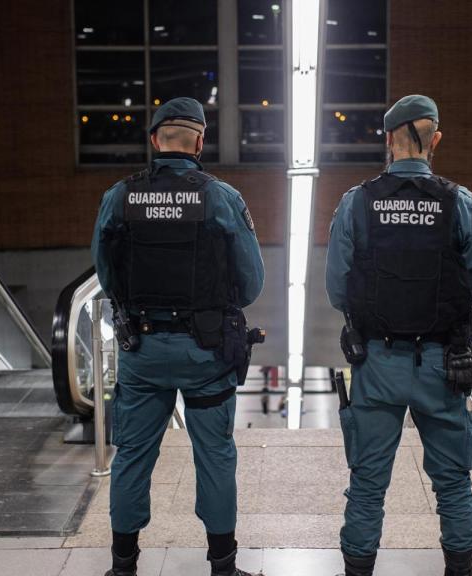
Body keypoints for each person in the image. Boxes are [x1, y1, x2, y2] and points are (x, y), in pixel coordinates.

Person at [91, 97, 266, 576]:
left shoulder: (119, 196)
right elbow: (252, 282)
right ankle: (223, 566)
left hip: (142, 352)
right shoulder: (220, 197)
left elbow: (106, 274)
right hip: (205, 351)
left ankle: (123, 566)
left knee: (132, 457)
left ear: (154, 140)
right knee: (214, 455)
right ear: (200, 142)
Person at [325, 95, 472, 576]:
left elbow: (337, 288)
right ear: (435, 139)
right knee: (454, 483)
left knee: (368, 483)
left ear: (388, 139)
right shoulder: (459, 202)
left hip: (377, 362)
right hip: (444, 365)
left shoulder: (357, 203)